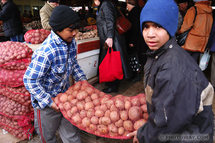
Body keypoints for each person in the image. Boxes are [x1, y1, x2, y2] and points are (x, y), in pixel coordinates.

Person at [127, 0, 214, 142]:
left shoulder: (173, 69)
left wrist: (143, 134)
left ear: (170, 28)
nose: (150, 34)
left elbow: (166, 121)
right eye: (146, 26)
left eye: (158, 26)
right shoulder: (159, 54)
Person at [23, 5, 87, 143]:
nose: (75, 33)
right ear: (58, 30)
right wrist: (48, 101)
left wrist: (83, 81)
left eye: (76, 29)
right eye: (71, 30)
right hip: (46, 106)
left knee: (72, 136)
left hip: (66, 98)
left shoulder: (71, 42)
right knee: (48, 137)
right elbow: (29, 80)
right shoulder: (46, 52)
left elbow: (73, 64)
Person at [94, 0, 132, 93]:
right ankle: (111, 83)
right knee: (109, 60)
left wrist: (110, 37)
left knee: (111, 61)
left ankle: (113, 85)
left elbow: (110, 20)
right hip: (108, 37)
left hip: (111, 38)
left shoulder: (106, 4)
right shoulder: (104, 4)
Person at [126, 0, 148, 81]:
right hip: (140, 39)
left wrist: (132, 41)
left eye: (127, 5)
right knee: (140, 56)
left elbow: (135, 28)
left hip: (136, 39)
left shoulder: (133, 13)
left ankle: (137, 75)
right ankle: (138, 74)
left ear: (129, 4)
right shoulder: (139, 11)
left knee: (136, 57)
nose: (127, 7)